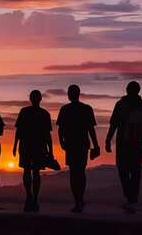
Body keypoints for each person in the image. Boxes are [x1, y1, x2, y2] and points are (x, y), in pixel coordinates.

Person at [106, 81, 142, 214]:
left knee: (123, 169)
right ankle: (133, 198)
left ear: (128, 90)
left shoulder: (121, 105)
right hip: (137, 144)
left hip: (123, 143)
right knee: (135, 171)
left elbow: (113, 124)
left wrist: (108, 141)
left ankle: (130, 197)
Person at [56, 84, 100, 213]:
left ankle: (78, 200)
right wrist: (95, 145)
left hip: (71, 145)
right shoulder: (86, 109)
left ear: (70, 94)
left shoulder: (65, 109)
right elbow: (91, 129)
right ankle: (79, 200)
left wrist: (62, 142)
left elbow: (61, 129)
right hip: (81, 145)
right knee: (80, 172)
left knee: (74, 173)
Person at [12, 90, 53, 212]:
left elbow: (19, 131)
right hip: (34, 147)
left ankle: (31, 197)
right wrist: (50, 151)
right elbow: (47, 135)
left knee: (30, 172)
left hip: (30, 146)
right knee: (34, 173)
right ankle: (32, 197)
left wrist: (15, 145)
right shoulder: (43, 113)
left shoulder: (27, 112)